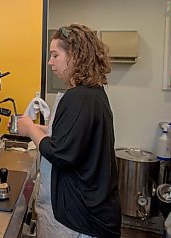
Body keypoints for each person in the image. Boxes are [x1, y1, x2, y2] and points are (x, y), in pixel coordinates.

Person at [17, 24, 121, 238]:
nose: (50, 62)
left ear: (75, 55)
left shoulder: (79, 97)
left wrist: (29, 129)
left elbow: (61, 153)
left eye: (55, 55)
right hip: (95, 212)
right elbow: (76, 136)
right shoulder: (93, 93)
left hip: (79, 218)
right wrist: (42, 128)